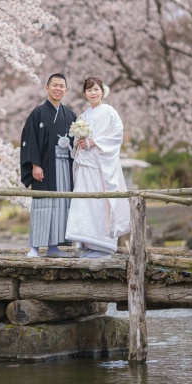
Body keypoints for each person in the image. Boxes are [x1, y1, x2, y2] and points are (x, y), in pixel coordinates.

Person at [65, 76, 130, 258]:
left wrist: (93, 142)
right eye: (89, 90)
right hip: (85, 165)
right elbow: (79, 139)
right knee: (84, 202)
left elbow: (117, 135)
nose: (93, 93)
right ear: (85, 94)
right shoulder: (84, 116)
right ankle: (86, 242)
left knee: (100, 203)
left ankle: (102, 245)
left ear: (103, 91)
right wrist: (78, 142)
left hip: (100, 166)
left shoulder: (109, 112)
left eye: (96, 89)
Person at [20, 73, 78, 257]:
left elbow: (76, 142)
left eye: (61, 86)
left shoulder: (70, 115)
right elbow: (30, 140)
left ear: (66, 90)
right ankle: (35, 247)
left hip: (64, 167)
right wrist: (35, 165)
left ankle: (54, 247)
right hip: (45, 166)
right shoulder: (38, 113)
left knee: (61, 205)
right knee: (43, 204)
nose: (58, 89)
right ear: (47, 88)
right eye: (55, 85)